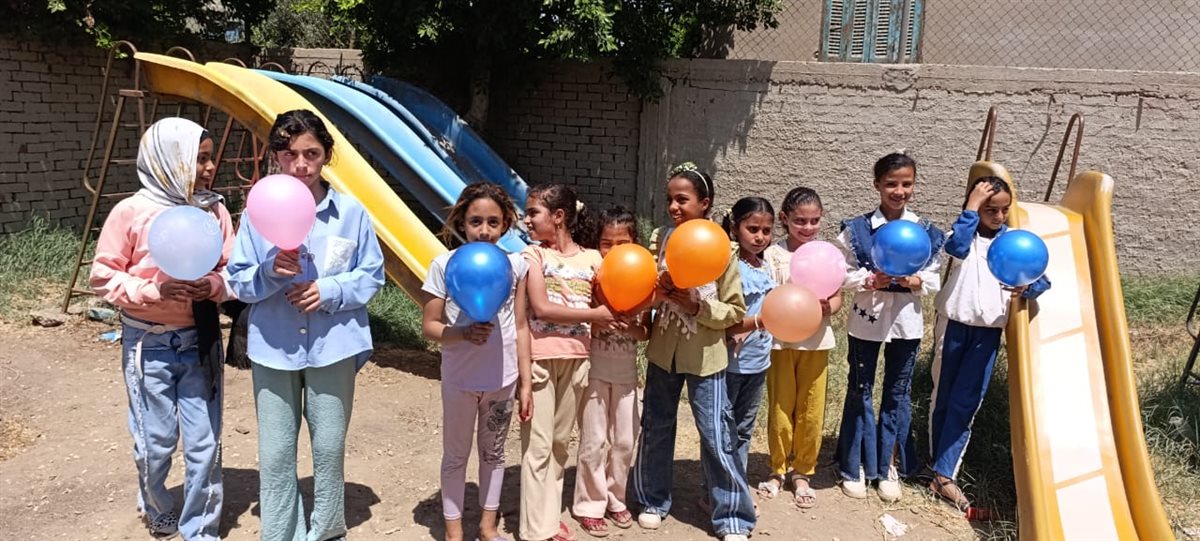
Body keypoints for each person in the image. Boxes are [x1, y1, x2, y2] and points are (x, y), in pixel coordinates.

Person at [226, 109, 385, 541]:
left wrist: (329, 290)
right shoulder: (257, 213)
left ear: (327, 154)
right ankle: (281, 532)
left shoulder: (351, 213)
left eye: (311, 153)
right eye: (290, 154)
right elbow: (238, 280)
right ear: (276, 156)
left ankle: (327, 529)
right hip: (273, 348)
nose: (301, 164)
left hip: (334, 346)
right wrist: (269, 271)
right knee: (276, 451)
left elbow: (372, 275)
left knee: (329, 446)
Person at [90, 117, 233, 540]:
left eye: (210, 158)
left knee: (205, 442)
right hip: (147, 343)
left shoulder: (213, 211)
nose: (210, 168)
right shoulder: (131, 213)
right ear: (170, 161)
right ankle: (157, 505)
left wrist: (214, 285)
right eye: (200, 159)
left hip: (200, 341)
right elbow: (103, 276)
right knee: (156, 442)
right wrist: (154, 290)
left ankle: (200, 527)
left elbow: (233, 271)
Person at [629, 162, 753, 541]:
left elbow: (735, 311)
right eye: (669, 199)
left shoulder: (724, 249)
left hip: (707, 357)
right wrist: (658, 293)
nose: (673, 207)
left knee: (716, 433)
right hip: (662, 352)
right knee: (655, 426)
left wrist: (697, 305)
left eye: (682, 199)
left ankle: (732, 516)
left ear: (705, 203)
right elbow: (643, 287)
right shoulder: (661, 240)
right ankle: (652, 499)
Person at [928, 177, 1049, 510]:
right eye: (990, 209)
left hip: (987, 333)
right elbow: (956, 248)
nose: (998, 216)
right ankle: (934, 464)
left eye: (1004, 209)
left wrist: (1029, 288)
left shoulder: (1014, 243)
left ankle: (945, 474)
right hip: (953, 325)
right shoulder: (963, 235)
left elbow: (1042, 280)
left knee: (966, 402)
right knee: (943, 395)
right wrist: (970, 207)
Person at [421, 182, 533, 541]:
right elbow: (430, 326)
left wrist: (526, 382)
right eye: (475, 222)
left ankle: (488, 527)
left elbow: (520, 325)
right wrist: (462, 334)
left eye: (493, 222)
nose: (484, 230)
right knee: (456, 456)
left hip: (502, 379)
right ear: (462, 223)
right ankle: (454, 532)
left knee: (494, 454)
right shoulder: (444, 265)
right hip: (460, 380)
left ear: (505, 225)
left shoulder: (516, 266)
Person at [835, 152, 944, 502]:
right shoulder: (856, 229)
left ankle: (888, 465)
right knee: (861, 388)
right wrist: (869, 280)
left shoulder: (926, 232)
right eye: (891, 184)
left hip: (906, 324)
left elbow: (934, 278)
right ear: (877, 185)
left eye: (906, 184)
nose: (899, 191)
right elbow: (842, 274)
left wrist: (915, 280)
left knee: (897, 393)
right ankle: (856, 464)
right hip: (865, 321)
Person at [519, 184, 613, 541]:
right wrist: (594, 315)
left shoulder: (593, 260)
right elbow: (541, 308)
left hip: (578, 361)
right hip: (540, 361)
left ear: (558, 217)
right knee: (537, 446)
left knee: (560, 444)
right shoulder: (532, 256)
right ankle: (535, 530)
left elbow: (614, 298)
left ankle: (547, 516)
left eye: (533, 213)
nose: (527, 220)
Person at [757, 187, 842, 509]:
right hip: (780, 343)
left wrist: (828, 308)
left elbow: (837, 297)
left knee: (811, 409)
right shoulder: (773, 255)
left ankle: (803, 471)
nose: (808, 227)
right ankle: (777, 469)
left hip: (817, 343)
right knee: (780, 407)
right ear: (784, 219)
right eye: (800, 221)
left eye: (814, 221)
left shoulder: (826, 254)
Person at [571, 206, 648, 538]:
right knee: (594, 440)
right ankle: (589, 504)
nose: (614, 251)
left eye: (622, 243)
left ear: (634, 243)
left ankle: (616, 498)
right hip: (594, 370)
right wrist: (597, 321)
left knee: (625, 440)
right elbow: (579, 319)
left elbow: (645, 332)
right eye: (606, 243)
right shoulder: (591, 276)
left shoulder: (643, 278)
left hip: (627, 374)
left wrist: (630, 326)